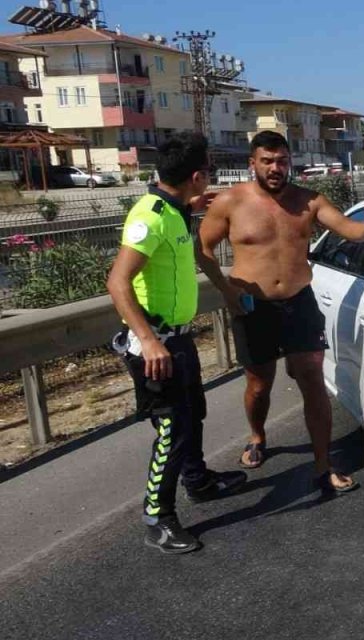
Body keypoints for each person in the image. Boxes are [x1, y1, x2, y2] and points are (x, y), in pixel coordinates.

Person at [196, 131, 364, 494]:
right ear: (252, 163)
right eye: (267, 161)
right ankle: (257, 434)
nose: (275, 168)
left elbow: (347, 228)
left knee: (312, 380)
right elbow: (202, 248)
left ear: (290, 162)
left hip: (299, 302)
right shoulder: (230, 202)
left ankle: (322, 465)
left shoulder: (309, 201)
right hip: (253, 306)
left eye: (281, 160)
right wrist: (226, 290)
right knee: (258, 384)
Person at [106, 132, 247, 555]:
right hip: (156, 346)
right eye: (208, 172)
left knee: (193, 416)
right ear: (198, 175)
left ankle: (198, 481)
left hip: (177, 340)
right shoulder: (149, 216)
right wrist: (148, 341)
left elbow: (176, 223)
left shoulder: (173, 209)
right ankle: (158, 517)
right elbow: (117, 282)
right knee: (172, 429)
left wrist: (191, 206)